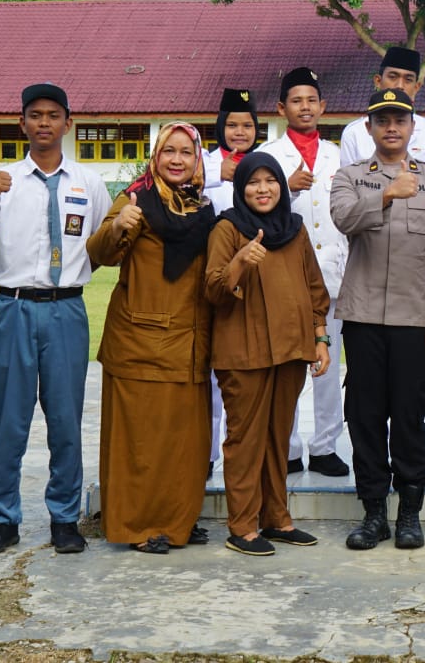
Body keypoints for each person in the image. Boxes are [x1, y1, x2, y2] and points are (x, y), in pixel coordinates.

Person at [0, 83, 112, 557]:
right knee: (10, 420)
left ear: (69, 122)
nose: (44, 123)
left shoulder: (88, 184)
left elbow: (104, 248)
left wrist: (71, 273)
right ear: (21, 122)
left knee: (66, 419)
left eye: (53, 115)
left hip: (66, 308)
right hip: (15, 307)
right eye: (34, 115)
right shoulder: (4, 180)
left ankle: (65, 518)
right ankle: (2, 519)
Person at [330, 87, 425, 550]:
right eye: (382, 119)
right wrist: (387, 194)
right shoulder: (348, 176)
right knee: (365, 415)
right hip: (363, 315)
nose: (391, 127)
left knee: (409, 415)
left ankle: (409, 511)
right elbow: (344, 220)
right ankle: (372, 513)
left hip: (414, 320)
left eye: (400, 120)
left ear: (412, 128)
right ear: (368, 127)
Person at [88, 123, 216, 553]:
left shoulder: (202, 205)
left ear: (198, 159)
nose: (177, 160)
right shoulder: (135, 199)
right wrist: (118, 225)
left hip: (190, 341)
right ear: (155, 157)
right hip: (141, 341)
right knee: (140, 442)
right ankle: (138, 527)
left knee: (183, 441)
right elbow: (100, 254)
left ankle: (176, 521)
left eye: (186, 152)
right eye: (169, 151)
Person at [205, 153, 331, 556]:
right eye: (253, 182)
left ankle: (277, 518)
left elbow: (314, 287)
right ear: (241, 189)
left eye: (270, 180)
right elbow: (212, 290)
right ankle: (242, 525)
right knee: (245, 439)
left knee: (279, 438)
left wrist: (321, 339)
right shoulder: (227, 228)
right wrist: (241, 261)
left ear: (281, 184)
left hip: (291, 349)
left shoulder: (293, 229)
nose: (263, 189)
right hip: (243, 351)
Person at [257, 68, 350, 478]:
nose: (305, 107)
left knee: (330, 366)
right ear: (282, 108)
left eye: (312, 100)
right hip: (286, 277)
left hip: (333, 274)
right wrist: (288, 187)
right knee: (290, 364)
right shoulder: (269, 156)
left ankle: (326, 445)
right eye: (297, 100)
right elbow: (255, 205)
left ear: (323, 107)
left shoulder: (338, 154)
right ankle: (288, 446)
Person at [201, 86, 259, 476]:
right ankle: (205, 456)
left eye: (248, 124)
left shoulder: (261, 167)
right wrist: (211, 175)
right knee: (207, 376)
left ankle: (242, 457)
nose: (240, 132)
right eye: (232, 124)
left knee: (241, 375)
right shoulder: (201, 164)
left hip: (251, 285)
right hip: (208, 282)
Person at [339, 46, 425, 167]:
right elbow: (348, 181)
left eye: (408, 79)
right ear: (377, 81)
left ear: (417, 87)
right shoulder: (354, 133)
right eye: (393, 77)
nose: (400, 85)